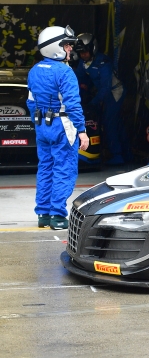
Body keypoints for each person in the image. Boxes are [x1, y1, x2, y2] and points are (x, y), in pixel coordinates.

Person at [27, 26, 89, 230]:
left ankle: (43, 214)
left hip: (42, 124)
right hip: (63, 126)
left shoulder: (34, 70)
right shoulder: (65, 71)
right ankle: (58, 216)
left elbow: (30, 102)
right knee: (64, 169)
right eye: (67, 44)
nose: (70, 48)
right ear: (56, 47)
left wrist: (39, 123)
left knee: (45, 168)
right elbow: (72, 103)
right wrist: (82, 130)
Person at [73, 33, 126, 165]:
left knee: (110, 124)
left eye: (85, 52)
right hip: (102, 94)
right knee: (114, 124)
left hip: (115, 92)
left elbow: (106, 87)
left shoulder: (103, 62)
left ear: (93, 49)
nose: (83, 55)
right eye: (81, 52)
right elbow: (80, 79)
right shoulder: (82, 62)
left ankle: (118, 156)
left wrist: (93, 103)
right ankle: (126, 154)